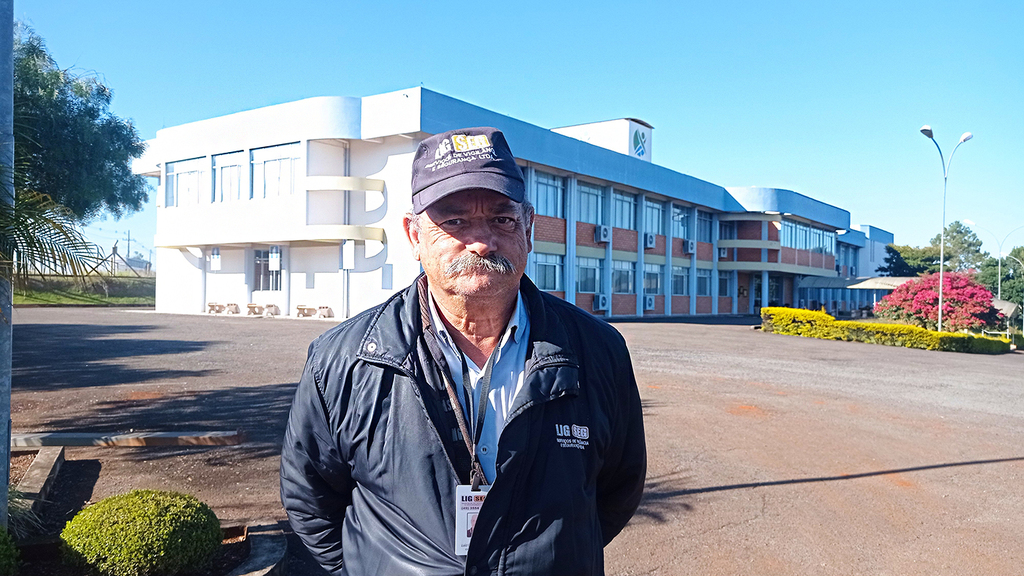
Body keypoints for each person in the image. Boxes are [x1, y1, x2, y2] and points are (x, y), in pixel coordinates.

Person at [280, 126, 646, 576]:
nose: (481, 241)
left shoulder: (597, 351)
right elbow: (311, 496)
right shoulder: (344, 359)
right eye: (453, 222)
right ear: (414, 236)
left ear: (528, 228)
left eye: (501, 219)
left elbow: (617, 489)